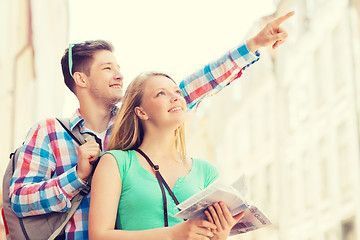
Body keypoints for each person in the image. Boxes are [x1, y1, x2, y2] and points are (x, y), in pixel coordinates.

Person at [9, 11, 294, 240]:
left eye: (119, 67)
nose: (119, 74)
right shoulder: (48, 132)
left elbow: (194, 87)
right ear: (81, 80)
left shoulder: (132, 123)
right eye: (107, 68)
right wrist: (78, 176)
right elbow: (20, 199)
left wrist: (254, 45)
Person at [89, 72, 245, 240]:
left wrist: (220, 236)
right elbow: (98, 236)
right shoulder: (115, 162)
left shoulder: (207, 171)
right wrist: (172, 234)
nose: (176, 97)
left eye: (177, 92)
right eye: (161, 93)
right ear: (141, 112)